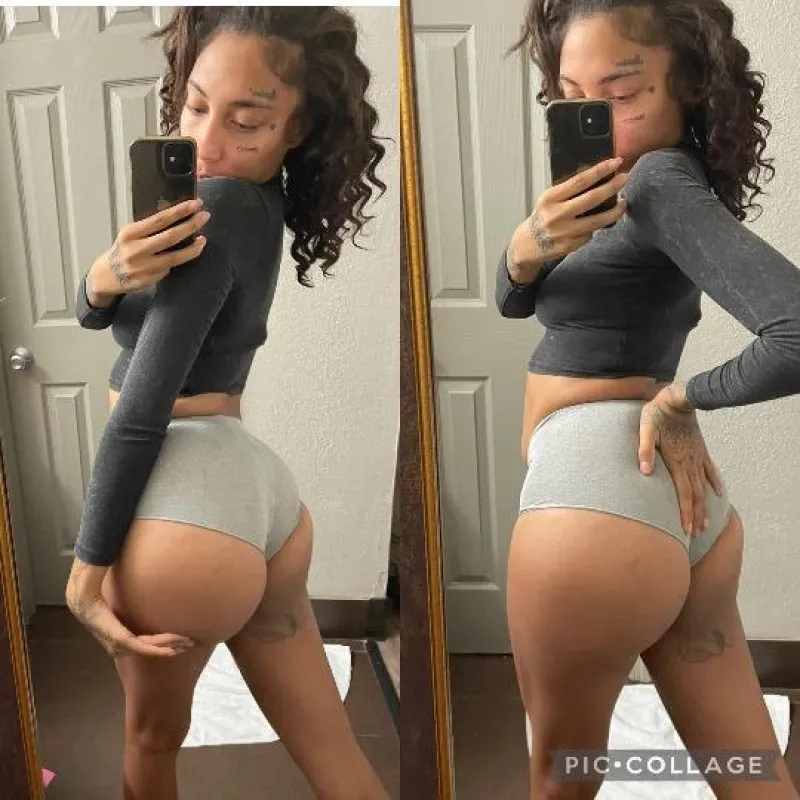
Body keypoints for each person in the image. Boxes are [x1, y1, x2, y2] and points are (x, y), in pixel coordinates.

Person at [63, 8, 389, 800]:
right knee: (334, 752)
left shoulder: (216, 205)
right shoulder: (257, 201)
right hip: (254, 492)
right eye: (196, 106)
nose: (208, 142)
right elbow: (98, 315)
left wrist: (85, 571)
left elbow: (145, 406)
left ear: (297, 129)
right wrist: (106, 278)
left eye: (245, 122)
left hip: (183, 502)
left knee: (150, 741)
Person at [495, 1, 800, 797]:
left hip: (593, 514)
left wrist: (682, 400)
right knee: (750, 772)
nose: (596, 117)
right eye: (572, 97)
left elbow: (796, 333)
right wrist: (526, 250)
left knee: (560, 776)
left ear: (688, 85)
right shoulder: (615, 187)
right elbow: (516, 303)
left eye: (622, 94)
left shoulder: (659, 180)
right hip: (673, 513)